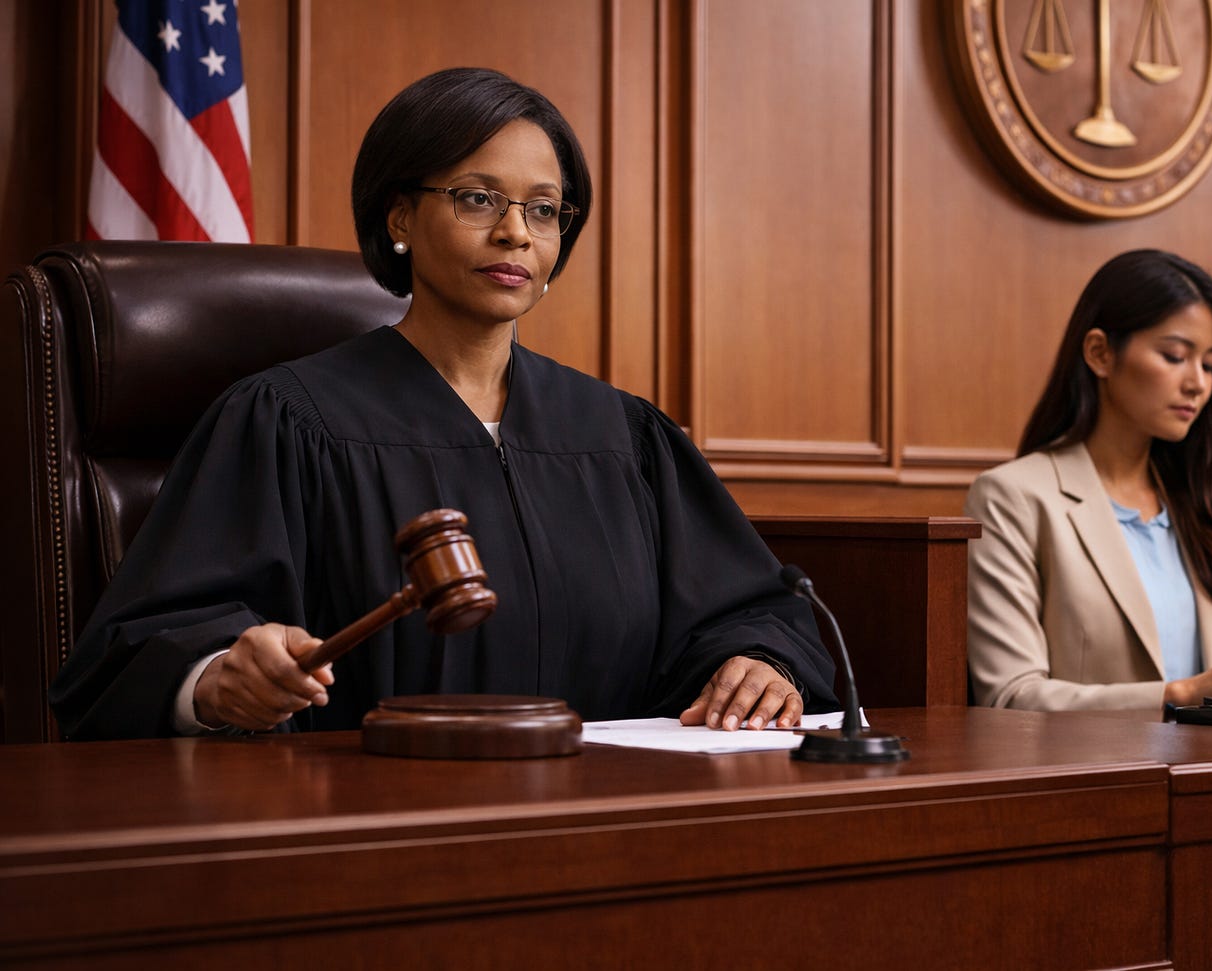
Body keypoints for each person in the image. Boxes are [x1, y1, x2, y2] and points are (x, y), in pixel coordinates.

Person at [50, 68, 836, 739]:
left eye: (543, 209)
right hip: (363, 837)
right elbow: (140, 647)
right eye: (477, 198)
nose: (514, 235)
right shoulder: (288, 422)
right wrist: (217, 678)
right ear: (399, 217)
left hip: (605, 828)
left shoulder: (623, 438)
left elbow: (752, 607)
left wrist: (759, 664)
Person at [964, 249, 1212, 710]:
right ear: (1100, 353)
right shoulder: (1012, 497)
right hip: (1095, 779)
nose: (1197, 382)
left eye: (1209, 364)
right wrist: (1180, 695)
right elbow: (1010, 696)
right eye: (1175, 356)